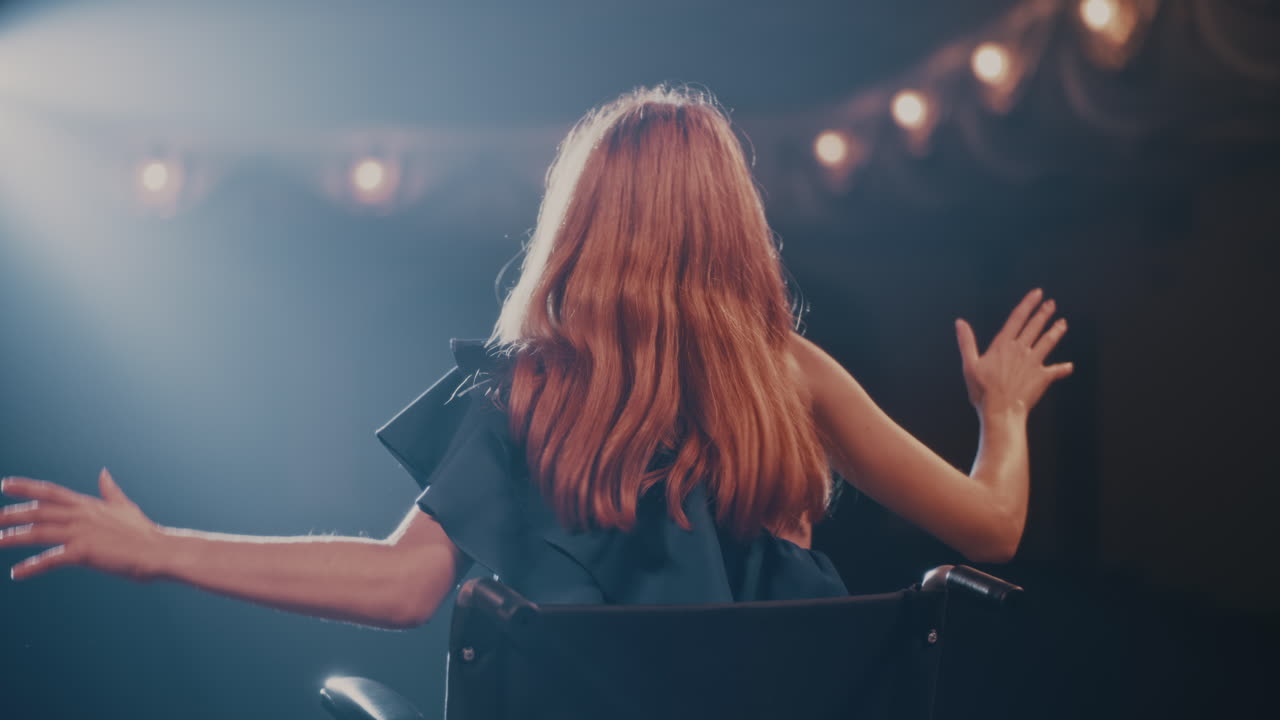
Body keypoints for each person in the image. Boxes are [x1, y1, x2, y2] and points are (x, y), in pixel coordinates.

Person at [0, 86, 1071, 630]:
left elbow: (400, 586)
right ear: (731, 222)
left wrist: (160, 547)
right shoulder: (790, 374)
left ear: (580, 222)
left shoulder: (519, 387)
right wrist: (1003, 414)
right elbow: (994, 529)